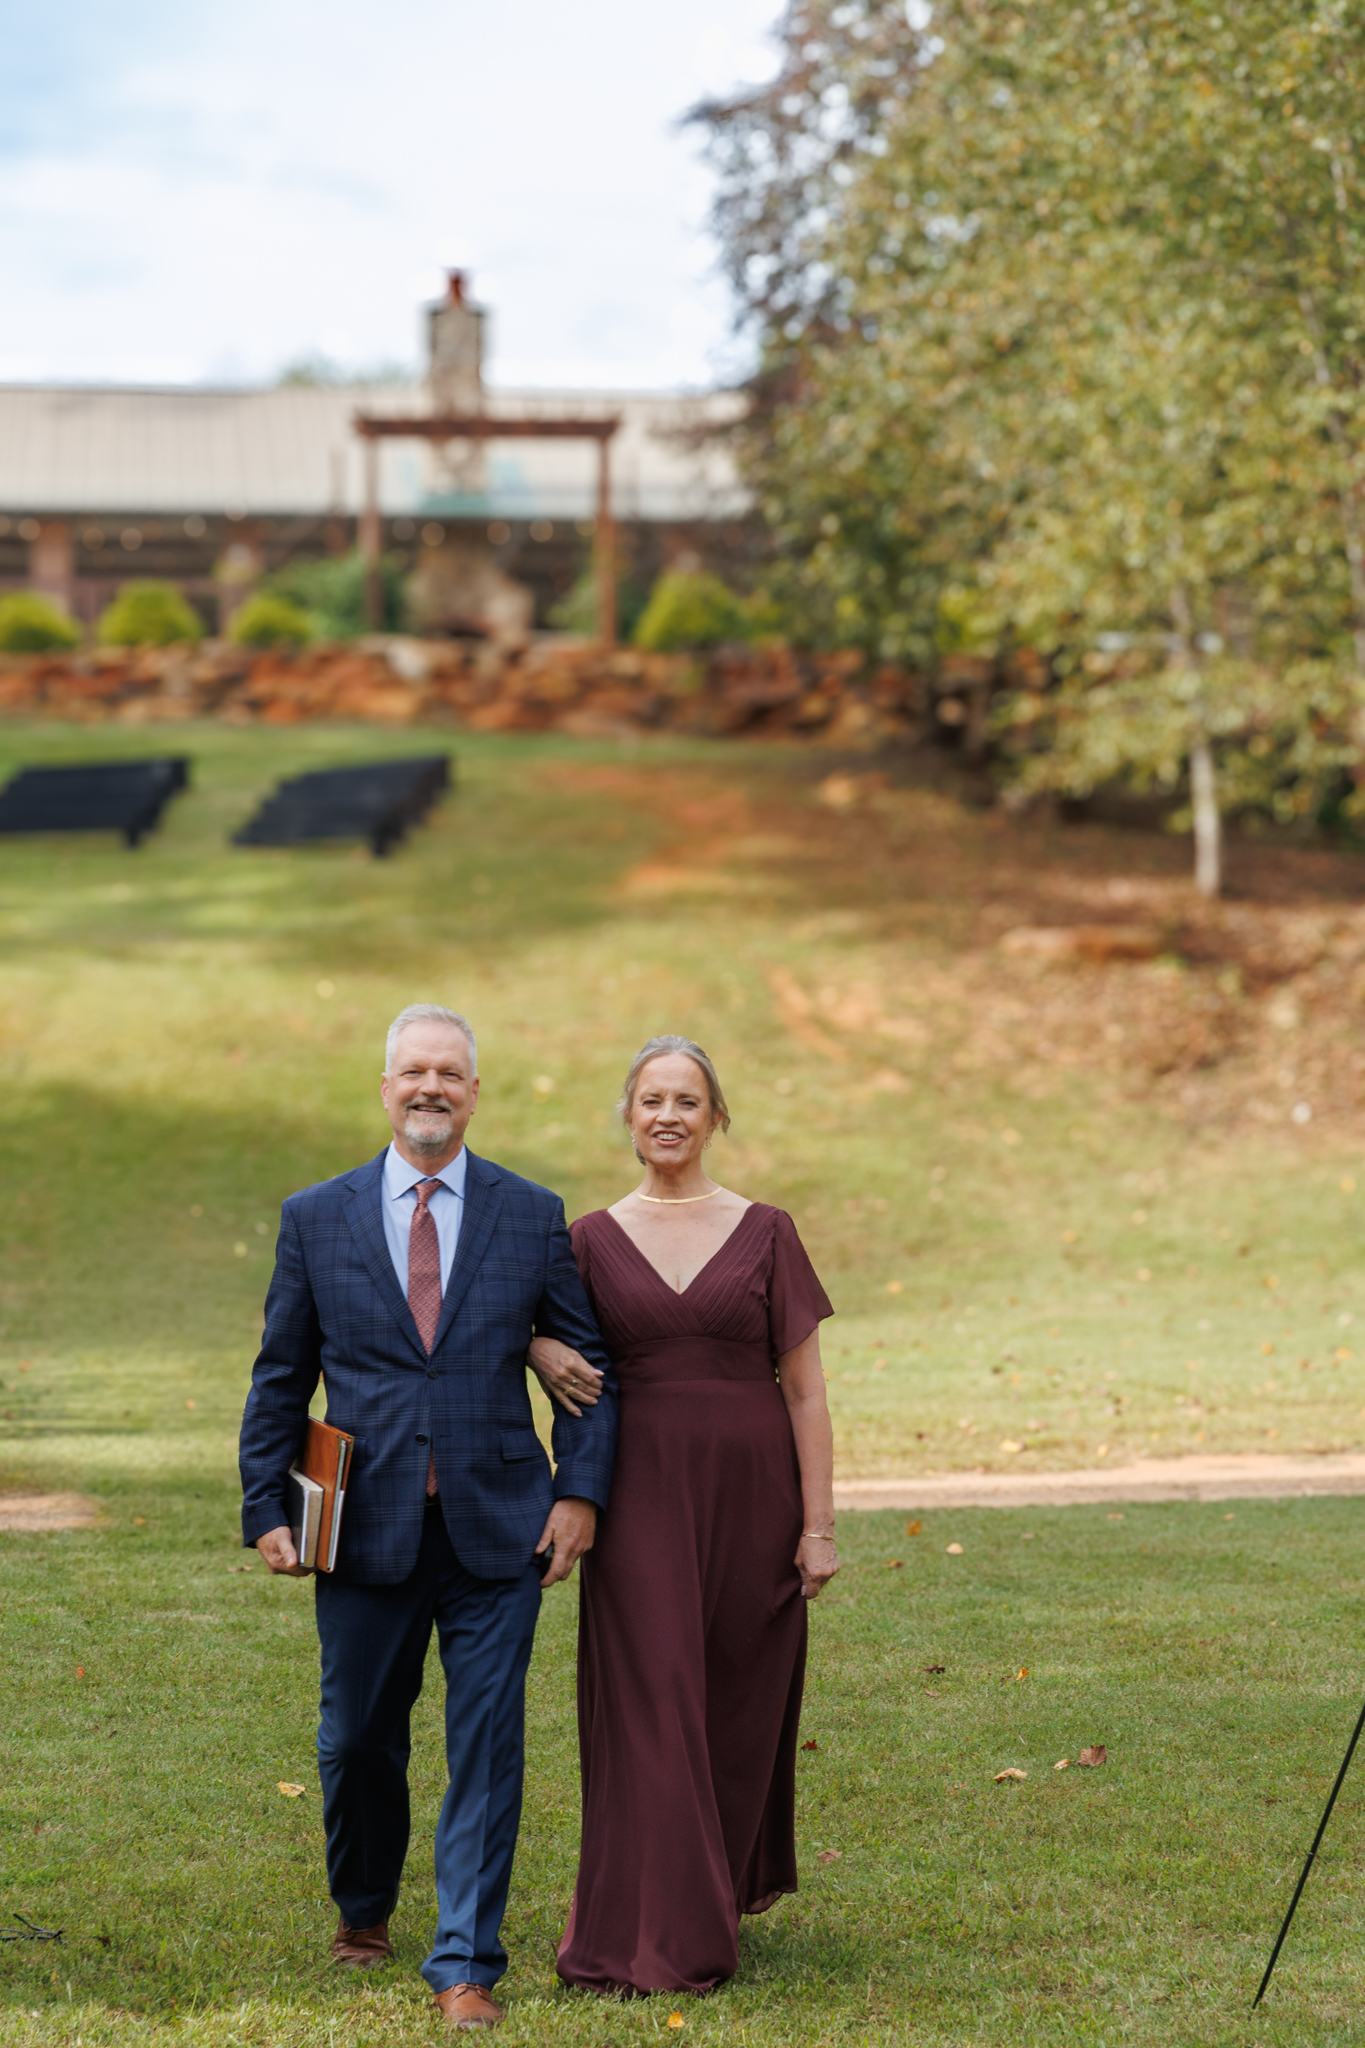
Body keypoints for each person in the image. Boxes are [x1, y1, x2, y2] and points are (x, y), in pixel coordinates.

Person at [238, 1003, 616, 2031]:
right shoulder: (315, 1216)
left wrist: (578, 1491)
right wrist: (264, 1503)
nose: (430, 1088)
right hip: (362, 1527)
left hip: (501, 1525)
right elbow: (282, 1373)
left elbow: (587, 1369)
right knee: (357, 1738)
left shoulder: (530, 1212)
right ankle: (363, 1905)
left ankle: (465, 1963)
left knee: (486, 1743)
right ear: (385, 1088)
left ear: (475, 1093)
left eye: (449, 1072)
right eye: (413, 1071)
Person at [528, 1034, 838, 1997]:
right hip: (638, 1497)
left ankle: (710, 1893)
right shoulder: (586, 1240)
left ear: (715, 1118)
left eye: (687, 1100)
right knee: (650, 1700)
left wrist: (818, 1525)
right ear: (628, 1117)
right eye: (651, 1099)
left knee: (737, 1701)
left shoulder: (768, 1230)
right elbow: (514, 1322)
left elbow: (805, 1390)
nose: (668, 1115)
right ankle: (659, 1934)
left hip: (753, 1498)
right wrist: (537, 1346)